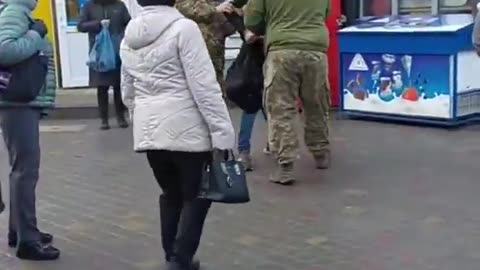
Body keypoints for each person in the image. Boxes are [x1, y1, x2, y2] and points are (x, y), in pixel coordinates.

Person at [119, 0, 235, 269]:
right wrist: (222, 133)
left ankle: (172, 255)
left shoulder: (129, 35)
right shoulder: (185, 29)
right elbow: (204, 87)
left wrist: (142, 116)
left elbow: (127, 90)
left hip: (150, 133)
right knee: (197, 196)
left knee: (170, 194)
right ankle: (180, 259)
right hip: (188, 131)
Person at [245, 0, 332, 185]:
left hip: (281, 51)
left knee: (281, 109)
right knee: (316, 103)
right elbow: (326, 13)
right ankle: (321, 153)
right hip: (316, 50)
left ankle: (285, 166)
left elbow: (252, 21)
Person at [0, 0, 59, 260]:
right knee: (25, 171)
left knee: (20, 170)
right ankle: (28, 242)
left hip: (19, 102)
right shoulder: (14, 10)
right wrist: (36, 34)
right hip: (17, 103)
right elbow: (4, 50)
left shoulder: (18, 11)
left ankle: (21, 231)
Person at [77, 0, 130, 130]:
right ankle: (104, 119)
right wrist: (97, 24)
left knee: (118, 86)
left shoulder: (119, 5)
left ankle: (121, 117)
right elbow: (81, 26)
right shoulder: (89, 7)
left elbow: (129, 23)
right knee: (102, 88)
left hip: (117, 52)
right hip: (99, 54)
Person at [175, 0, 236, 98]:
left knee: (215, 86)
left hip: (214, 44)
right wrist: (215, 10)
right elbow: (183, 7)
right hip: (196, 46)